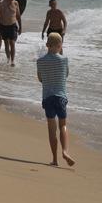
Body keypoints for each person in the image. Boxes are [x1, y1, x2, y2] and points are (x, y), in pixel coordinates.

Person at [36, 32, 75, 167]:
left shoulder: (40, 61)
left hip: (47, 97)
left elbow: (40, 79)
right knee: (63, 125)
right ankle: (65, 151)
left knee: (51, 129)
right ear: (60, 46)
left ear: (47, 45)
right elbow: (66, 75)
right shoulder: (64, 60)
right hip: (61, 97)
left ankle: (55, 159)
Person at [0, 0, 22, 66]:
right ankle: (8, 59)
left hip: (13, 25)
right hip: (3, 26)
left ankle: (12, 61)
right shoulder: (1, 3)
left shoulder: (15, 3)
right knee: (6, 43)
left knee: (12, 43)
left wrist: (20, 27)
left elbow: (18, 16)